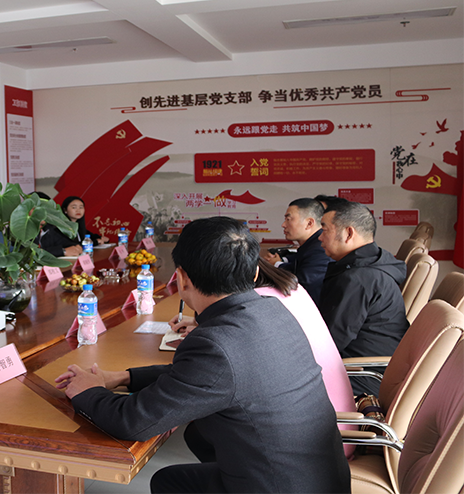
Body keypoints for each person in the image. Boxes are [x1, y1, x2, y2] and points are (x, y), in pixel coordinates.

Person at [55, 217, 349, 493]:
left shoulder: (216, 343)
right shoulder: (272, 310)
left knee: (171, 481)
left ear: (181, 279)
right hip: (320, 478)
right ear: (256, 272)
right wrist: (124, 377)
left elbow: (133, 421)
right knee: (180, 464)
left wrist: (87, 391)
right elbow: (205, 375)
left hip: (278, 485)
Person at [171, 257, 357, 457]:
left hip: (319, 434)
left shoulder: (256, 304)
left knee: (206, 425)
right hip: (333, 415)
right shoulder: (289, 289)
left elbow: (227, 357)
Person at [318, 201, 408, 396]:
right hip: (373, 367)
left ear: (349, 233)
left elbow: (331, 342)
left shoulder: (359, 278)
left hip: (364, 375)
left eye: (324, 230)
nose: (320, 237)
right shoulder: (373, 264)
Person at [262, 197, 331, 305]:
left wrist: (276, 265)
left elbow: (302, 284)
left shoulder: (321, 248)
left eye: (288, 219)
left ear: (309, 223)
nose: (283, 225)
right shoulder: (311, 245)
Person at [33, 192, 83, 257]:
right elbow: (32, 253)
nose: (45, 213)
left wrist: (76, 247)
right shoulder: (23, 229)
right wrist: (63, 251)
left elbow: (65, 242)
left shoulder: (48, 228)